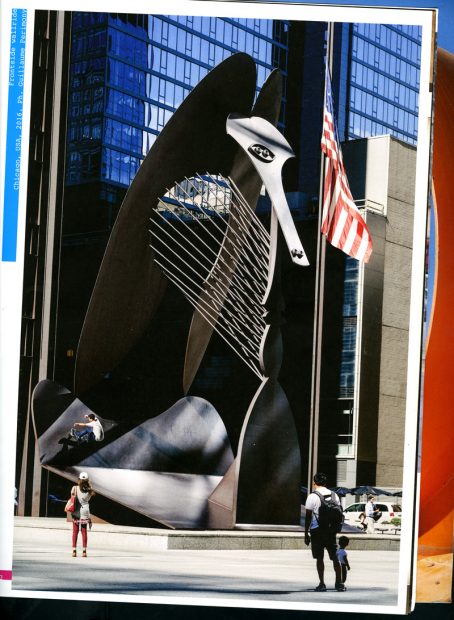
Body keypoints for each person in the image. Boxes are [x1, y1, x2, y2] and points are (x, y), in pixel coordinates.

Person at [305, 472, 344, 592]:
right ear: (325, 483)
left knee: (320, 558)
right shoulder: (335, 495)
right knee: (335, 558)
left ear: (314, 482)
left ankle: (322, 584)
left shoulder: (312, 496)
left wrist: (306, 533)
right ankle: (339, 584)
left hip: (317, 531)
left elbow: (308, 517)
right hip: (331, 531)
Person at [70, 472, 95, 557]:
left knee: (75, 532)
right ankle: (84, 551)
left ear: (79, 479)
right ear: (87, 480)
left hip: (76, 511)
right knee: (84, 532)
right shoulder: (89, 490)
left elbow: (72, 498)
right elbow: (88, 499)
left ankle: (74, 551)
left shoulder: (74, 488)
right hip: (85, 511)